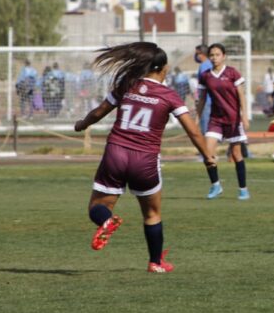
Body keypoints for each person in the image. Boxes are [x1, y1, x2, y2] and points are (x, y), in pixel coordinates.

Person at [74, 42, 214, 273]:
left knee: (97, 206)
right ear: (163, 68)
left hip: (115, 154)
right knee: (152, 213)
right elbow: (193, 130)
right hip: (145, 159)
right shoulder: (169, 96)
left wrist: (82, 124)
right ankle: (155, 263)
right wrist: (208, 156)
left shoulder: (126, 85)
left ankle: (106, 221)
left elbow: (98, 112)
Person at [196, 43, 251, 200]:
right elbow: (201, 99)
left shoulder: (232, 73)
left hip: (233, 119)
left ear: (224, 56)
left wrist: (244, 116)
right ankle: (216, 185)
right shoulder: (206, 75)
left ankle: (243, 189)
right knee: (207, 152)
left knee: (236, 154)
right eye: (212, 55)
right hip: (216, 120)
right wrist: (196, 119)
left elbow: (241, 96)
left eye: (217, 54)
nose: (214, 58)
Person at [194, 44, 213, 135]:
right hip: (208, 100)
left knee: (205, 128)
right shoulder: (209, 64)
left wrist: (199, 98)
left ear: (201, 54)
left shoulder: (204, 66)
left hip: (206, 100)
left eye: (197, 53)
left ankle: (207, 147)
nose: (196, 56)